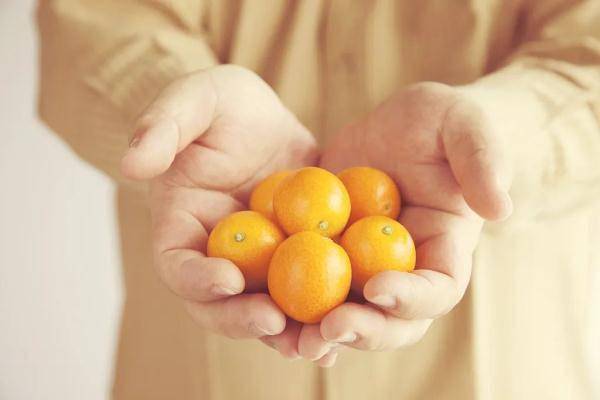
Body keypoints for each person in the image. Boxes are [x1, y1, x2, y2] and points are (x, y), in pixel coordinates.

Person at [37, 1, 600, 399]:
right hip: (198, 360)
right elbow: (98, 21)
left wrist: (493, 138)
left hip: (510, 363)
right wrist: (174, 113)